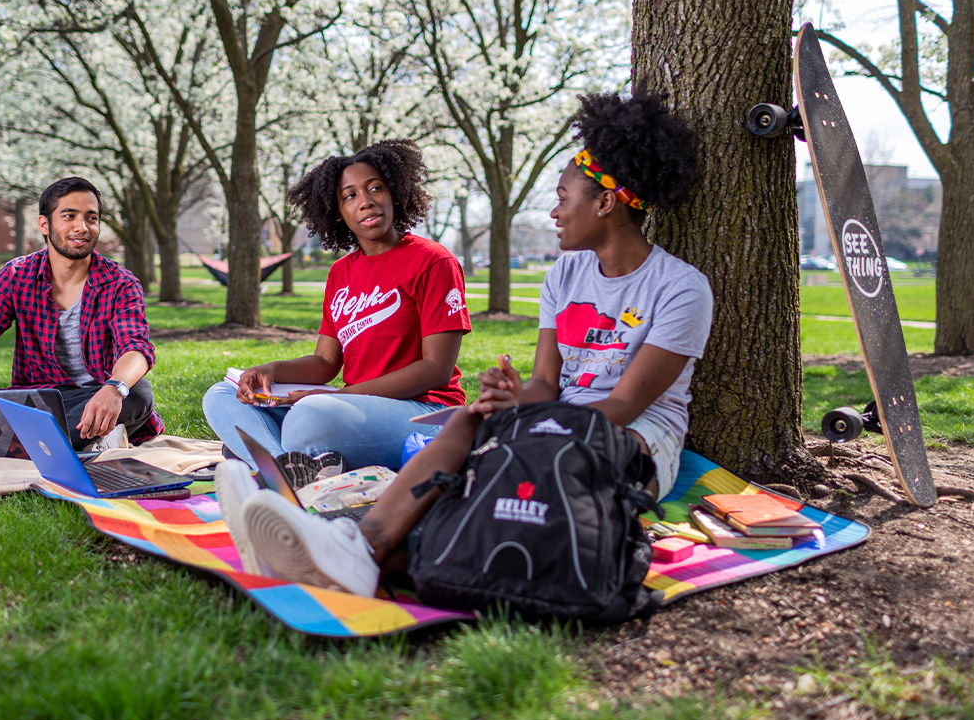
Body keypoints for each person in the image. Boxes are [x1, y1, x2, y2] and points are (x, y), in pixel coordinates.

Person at [215, 89, 714, 596]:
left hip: (636, 436)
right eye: (349, 195)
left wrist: (532, 415)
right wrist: (516, 399)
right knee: (466, 425)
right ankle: (357, 546)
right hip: (556, 419)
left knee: (509, 474)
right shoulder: (564, 277)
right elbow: (545, 383)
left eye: (563, 198)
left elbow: (626, 404)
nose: (553, 213)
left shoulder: (679, 288)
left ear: (606, 202)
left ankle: (340, 531)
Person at [202, 139, 471, 472]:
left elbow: (436, 369)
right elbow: (326, 361)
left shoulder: (433, 260)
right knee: (221, 396)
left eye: (376, 188)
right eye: (351, 195)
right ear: (338, 213)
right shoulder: (341, 272)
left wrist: (339, 398)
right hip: (352, 405)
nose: (366, 202)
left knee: (308, 417)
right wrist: (270, 371)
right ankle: (284, 468)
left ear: (396, 195)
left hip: (424, 412)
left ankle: (264, 457)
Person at [0, 176, 162, 449]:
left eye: (91, 218)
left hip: (92, 399)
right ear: (44, 224)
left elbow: (135, 347)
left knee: (137, 394)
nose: (81, 227)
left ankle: (5, 439)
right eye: (69, 216)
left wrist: (114, 388)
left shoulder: (120, 283)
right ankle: (53, 442)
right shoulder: (16, 275)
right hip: (34, 401)